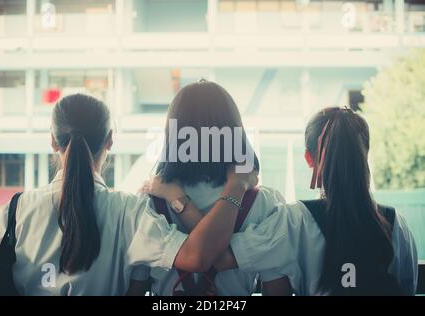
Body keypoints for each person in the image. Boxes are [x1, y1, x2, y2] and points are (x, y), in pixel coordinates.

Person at [0, 93, 257, 295]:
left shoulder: (15, 211)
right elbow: (198, 256)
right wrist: (236, 185)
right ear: (110, 140)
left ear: (52, 140)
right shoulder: (128, 211)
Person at [147, 107, 418, 296]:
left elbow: (216, 256)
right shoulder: (396, 226)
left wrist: (177, 198)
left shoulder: (296, 220)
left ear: (309, 160)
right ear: (365, 155)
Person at [137, 80, 292, 296]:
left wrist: (178, 199)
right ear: (235, 133)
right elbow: (277, 291)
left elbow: (134, 287)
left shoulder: (149, 204)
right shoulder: (265, 203)